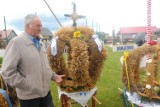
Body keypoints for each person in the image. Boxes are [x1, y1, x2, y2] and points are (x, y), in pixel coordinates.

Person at [1, 14, 65, 107]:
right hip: (29, 98)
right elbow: (7, 72)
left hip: (46, 95)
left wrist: (55, 77)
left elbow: (45, 66)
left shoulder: (41, 43)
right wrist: (28, 84)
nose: (40, 29)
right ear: (28, 26)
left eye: (41, 26)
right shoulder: (16, 43)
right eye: (38, 26)